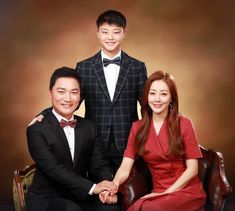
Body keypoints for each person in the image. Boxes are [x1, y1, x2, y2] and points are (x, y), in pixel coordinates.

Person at [31, 10, 147, 175]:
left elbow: (147, 104)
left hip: (129, 143)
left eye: (116, 32)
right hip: (94, 142)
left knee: (128, 193)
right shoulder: (84, 67)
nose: (110, 37)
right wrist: (43, 115)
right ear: (98, 34)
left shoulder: (137, 67)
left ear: (124, 34)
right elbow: (71, 101)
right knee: (99, 192)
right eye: (105, 32)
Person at [102, 70, 206, 210]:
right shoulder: (137, 127)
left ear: (171, 98)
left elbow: (192, 170)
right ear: (146, 97)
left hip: (186, 191)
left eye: (163, 94)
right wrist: (113, 186)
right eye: (152, 93)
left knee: (148, 208)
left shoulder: (185, 124)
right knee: (139, 207)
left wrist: (165, 194)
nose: (157, 99)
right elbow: (125, 167)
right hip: (158, 191)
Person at [26, 67, 120, 211]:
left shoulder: (89, 127)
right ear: (50, 94)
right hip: (47, 198)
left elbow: (99, 165)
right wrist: (93, 187)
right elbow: (54, 170)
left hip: (79, 195)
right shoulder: (36, 129)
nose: (68, 98)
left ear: (80, 96)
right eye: (61, 91)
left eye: (74, 92)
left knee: (111, 208)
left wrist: (106, 188)